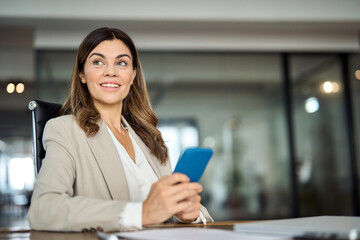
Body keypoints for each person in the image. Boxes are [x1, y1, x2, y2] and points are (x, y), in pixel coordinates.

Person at [28, 27, 213, 232]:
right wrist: (141, 213)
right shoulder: (65, 130)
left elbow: (170, 212)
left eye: (121, 63)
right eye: (98, 62)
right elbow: (43, 209)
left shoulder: (151, 138)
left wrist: (189, 214)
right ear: (82, 74)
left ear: (132, 75)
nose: (111, 71)